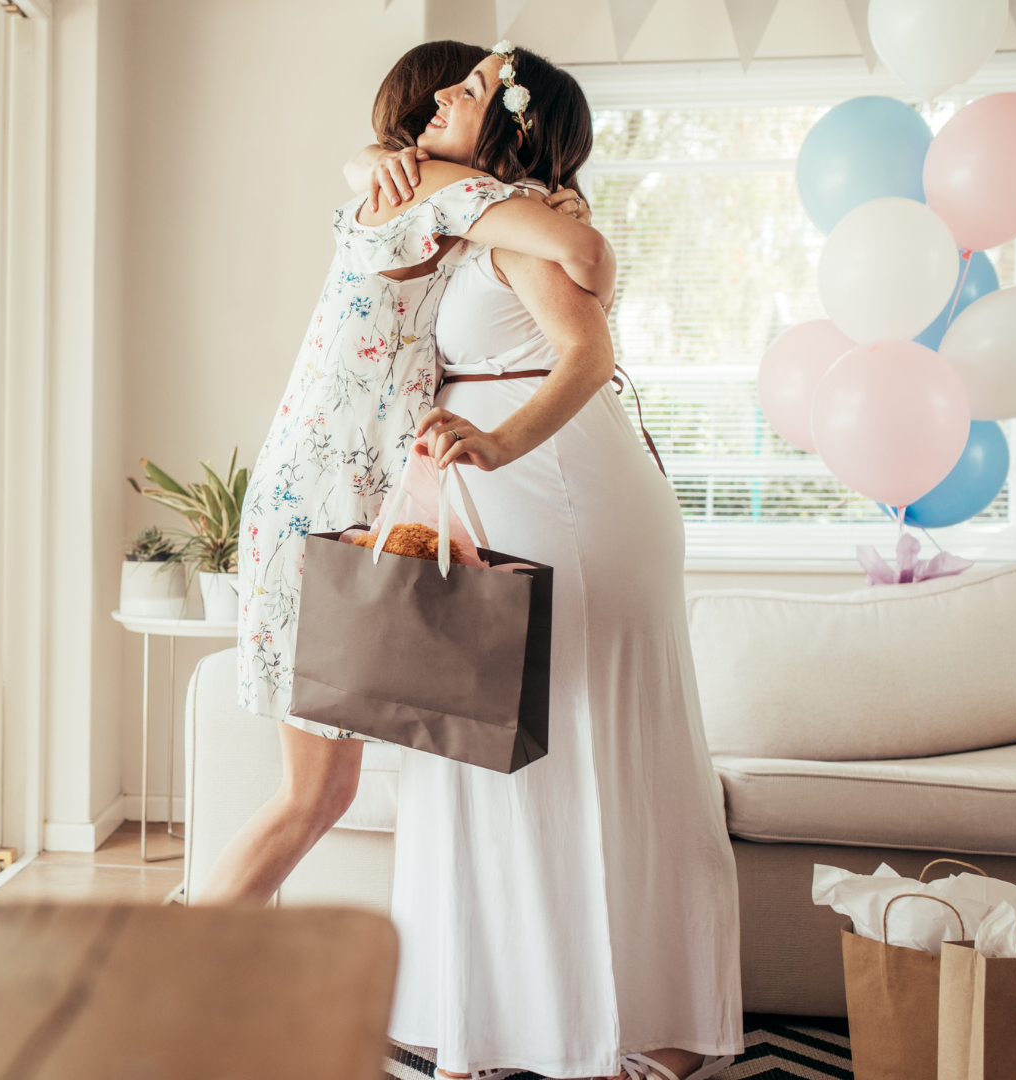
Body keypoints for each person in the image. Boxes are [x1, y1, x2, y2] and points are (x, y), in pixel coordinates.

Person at [360, 46, 747, 1080]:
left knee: (568, 747)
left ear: (509, 129)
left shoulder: (521, 218)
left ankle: (637, 1028)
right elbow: (373, 172)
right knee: (495, 750)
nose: (442, 102)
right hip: (518, 491)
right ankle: (501, 1018)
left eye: (472, 91)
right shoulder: (477, 206)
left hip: (562, 483)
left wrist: (498, 442)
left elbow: (590, 355)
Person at [210, 40, 608, 903]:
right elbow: (591, 260)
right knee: (310, 794)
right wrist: (557, 212)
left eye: (469, 92)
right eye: (452, 89)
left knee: (323, 792)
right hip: (318, 505)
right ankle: (175, 988)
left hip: (339, 499)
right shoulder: (432, 189)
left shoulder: (454, 212)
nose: (445, 104)